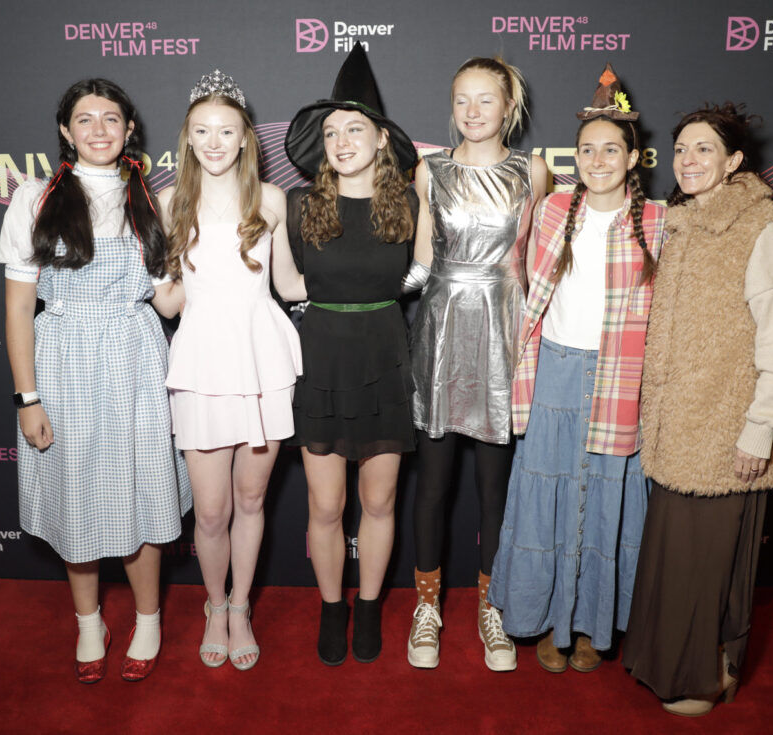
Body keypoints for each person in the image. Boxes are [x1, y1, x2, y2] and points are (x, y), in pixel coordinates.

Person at [0, 78, 191, 683]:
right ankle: (89, 623)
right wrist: (28, 398)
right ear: (65, 130)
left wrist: (229, 262)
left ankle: (150, 617)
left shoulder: (149, 201)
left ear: (130, 129)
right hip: (64, 367)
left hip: (135, 361)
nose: (99, 130)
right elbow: (17, 313)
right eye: (85, 119)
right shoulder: (34, 199)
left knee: (143, 495)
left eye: (112, 118)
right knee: (74, 500)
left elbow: (167, 304)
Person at [622, 102, 773, 716]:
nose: (688, 160)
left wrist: (759, 430)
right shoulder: (681, 225)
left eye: (704, 149)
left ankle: (702, 674)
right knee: (676, 557)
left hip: (728, 430)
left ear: (734, 160)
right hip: (680, 426)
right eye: (681, 150)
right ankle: (670, 665)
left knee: (708, 564)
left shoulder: (764, 228)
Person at [489, 64, 667, 675]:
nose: (598, 160)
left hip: (620, 377)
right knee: (549, 499)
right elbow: (519, 288)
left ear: (633, 156)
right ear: (576, 156)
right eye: (587, 149)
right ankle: (549, 622)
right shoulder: (551, 210)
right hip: (555, 374)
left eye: (610, 149)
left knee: (609, 503)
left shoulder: (657, 222)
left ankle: (593, 626)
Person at [152, 71, 304, 670]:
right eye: (202, 131)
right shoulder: (169, 202)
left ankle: (241, 606)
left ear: (245, 138)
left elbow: (288, 282)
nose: (214, 142)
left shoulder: (270, 200)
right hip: (200, 361)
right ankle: (213, 604)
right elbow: (168, 300)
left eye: (227, 131)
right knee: (210, 511)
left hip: (262, 357)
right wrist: (150, 280)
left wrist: (367, 282)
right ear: (187, 138)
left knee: (250, 499)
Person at [404, 56, 548, 671]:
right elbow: (420, 259)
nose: (471, 111)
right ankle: (428, 609)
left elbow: (540, 262)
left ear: (507, 105)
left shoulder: (533, 172)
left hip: (502, 328)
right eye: (462, 98)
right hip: (439, 329)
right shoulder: (428, 169)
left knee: (497, 489)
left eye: (485, 99)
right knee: (432, 485)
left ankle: (493, 609)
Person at [283, 45, 419, 666]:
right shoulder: (298, 206)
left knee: (381, 503)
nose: (341, 141)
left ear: (380, 139)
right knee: (326, 505)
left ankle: (369, 611)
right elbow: (286, 285)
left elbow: (429, 272)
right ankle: (332, 607)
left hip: (386, 358)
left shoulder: (413, 205)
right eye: (331, 131)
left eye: (354, 129)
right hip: (322, 361)